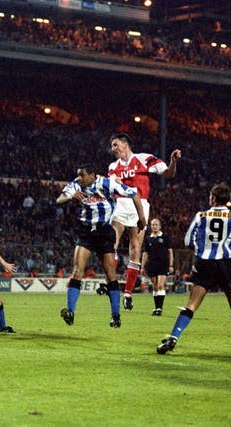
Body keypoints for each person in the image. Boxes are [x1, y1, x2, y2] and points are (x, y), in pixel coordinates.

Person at [156, 182, 231, 355]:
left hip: (205, 263)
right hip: (227, 263)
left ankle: (173, 337)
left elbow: (188, 241)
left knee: (191, 304)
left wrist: (201, 250)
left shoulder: (201, 216)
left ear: (213, 198)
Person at [57, 164, 146, 328]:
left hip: (104, 232)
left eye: (82, 175)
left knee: (110, 274)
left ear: (92, 175)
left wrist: (141, 218)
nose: (80, 178)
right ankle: (70, 311)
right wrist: (70, 197)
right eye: (78, 175)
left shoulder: (107, 184)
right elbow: (59, 199)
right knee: (77, 271)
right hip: (86, 232)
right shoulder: (77, 184)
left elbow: (133, 193)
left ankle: (116, 315)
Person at [107, 132, 181, 311]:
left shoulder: (144, 159)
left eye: (115, 145)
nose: (113, 149)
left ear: (125, 145)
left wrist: (173, 161)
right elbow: (109, 186)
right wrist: (113, 182)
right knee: (111, 243)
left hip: (141, 205)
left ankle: (128, 293)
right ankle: (111, 282)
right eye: (112, 146)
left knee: (135, 249)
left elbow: (169, 174)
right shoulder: (113, 166)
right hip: (121, 203)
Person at [141, 218, 174, 316]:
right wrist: (142, 266)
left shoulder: (165, 237)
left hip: (163, 264)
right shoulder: (148, 239)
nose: (154, 226)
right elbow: (145, 253)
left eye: (156, 224)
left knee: (160, 285)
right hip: (152, 265)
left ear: (160, 226)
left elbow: (170, 251)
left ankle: (160, 308)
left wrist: (171, 265)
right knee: (155, 286)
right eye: (152, 225)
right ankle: (156, 308)